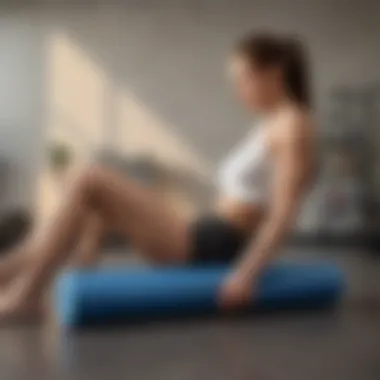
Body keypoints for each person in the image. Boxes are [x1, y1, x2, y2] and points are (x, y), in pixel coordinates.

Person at [0, 31, 314, 319]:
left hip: (216, 245)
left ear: (274, 73)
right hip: (206, 232)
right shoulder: (271, 124)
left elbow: (284, 212)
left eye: (244, 79)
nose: (239, 90)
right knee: (92, 198)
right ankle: (15, 276)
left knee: (90, 178)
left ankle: (27, 296)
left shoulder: (292, 125)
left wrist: (246, 275)